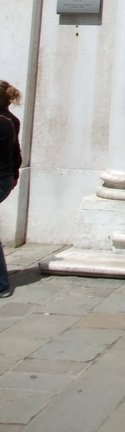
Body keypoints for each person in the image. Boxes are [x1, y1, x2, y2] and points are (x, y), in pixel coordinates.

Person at [0, 81, 22, 299]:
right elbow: (17, 153)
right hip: (5, 178)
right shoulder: (11, 119)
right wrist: (14, 175)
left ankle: (2, 284)